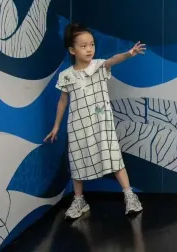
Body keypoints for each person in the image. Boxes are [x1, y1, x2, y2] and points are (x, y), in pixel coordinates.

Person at [44, 22, 146, 219]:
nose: (89, 49)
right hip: (78, 126)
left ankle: (130, 196)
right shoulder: (66, 76)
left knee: (114, 157)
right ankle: (79, 201)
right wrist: (56, 126)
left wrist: (129, 54)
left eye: (91, 44)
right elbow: (62, 101)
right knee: (77, 161)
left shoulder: (99, 66)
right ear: (72, 50)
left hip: (102, 124)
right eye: (83, 46)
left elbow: (113, 60)